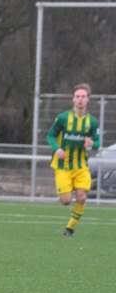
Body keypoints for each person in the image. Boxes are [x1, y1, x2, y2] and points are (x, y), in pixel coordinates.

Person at [46, 83, 100, 236]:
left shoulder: (92, 122)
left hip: (81, 165)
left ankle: (70, 228)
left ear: (88, 99)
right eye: (77, 96)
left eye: (83, 96)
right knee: (66, 201)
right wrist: (57, 148)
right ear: (73, 99)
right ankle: (67, 193)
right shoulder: (63, 118)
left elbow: (97, 143)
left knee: (82, 198)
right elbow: (50, 136)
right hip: (63, 165)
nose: (80, 99)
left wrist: (92, 143)